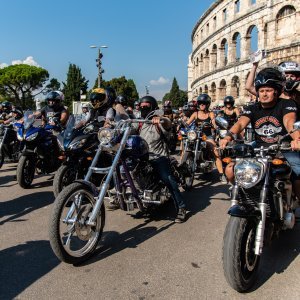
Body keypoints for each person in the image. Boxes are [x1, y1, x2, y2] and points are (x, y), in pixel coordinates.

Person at [220, 67, 300, 200]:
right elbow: (240, 123)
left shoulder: (286, 104)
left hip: (283, 147)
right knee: (230, 169)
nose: (264, 94)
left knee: (297, 173)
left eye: (268, 90)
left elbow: (289, 121)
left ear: (276, 91)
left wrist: (297, 139)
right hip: (258, 147)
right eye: (261, 90)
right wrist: (228, 136)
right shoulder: (252, 108)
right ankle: (243, 194)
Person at [138, 95, 187, 222]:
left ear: (152, 107)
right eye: (141, 106)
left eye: (146, 106)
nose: (143, 108)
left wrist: (161, 119)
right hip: (142, 157)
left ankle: (181, 207)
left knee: (167, 179)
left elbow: (168, 123)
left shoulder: (158, 123)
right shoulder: (139, 123)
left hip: (158, 156)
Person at [186, 93, 225, 182]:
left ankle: (221, 174)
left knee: (215, 149)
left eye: (203, 103)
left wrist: (215, 125)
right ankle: (182, 167)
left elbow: (214, 122)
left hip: (207, 136)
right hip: (196, 136)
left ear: (207, 104)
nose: (201, 105)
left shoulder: (210, 113)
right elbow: (188, 122)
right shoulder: (195, 113)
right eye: (200, 103)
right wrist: (181, 125)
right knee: (185, 145)